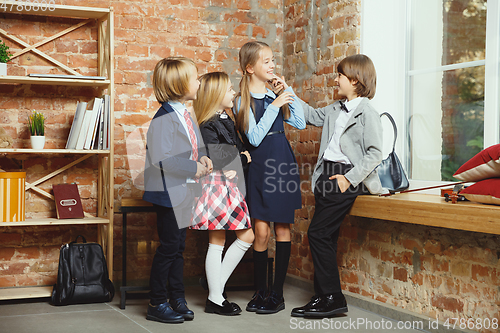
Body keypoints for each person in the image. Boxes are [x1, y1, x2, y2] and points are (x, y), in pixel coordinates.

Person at [291, 54, 383, 318]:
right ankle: (322, 297)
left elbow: (375, 153)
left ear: (355, 80)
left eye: (340, 75)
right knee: (327, 238)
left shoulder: (368, 113)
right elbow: (309, 115)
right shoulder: (335, 108)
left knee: (317, 234)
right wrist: (285, 91)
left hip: (345, 177)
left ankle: (333, 297)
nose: (336, 79)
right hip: (326, 176)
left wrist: (348, 178)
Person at [233, 41, 306, 314]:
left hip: (282, 164)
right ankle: (260, 291)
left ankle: (277, 294)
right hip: (260, 166)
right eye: (266, 61)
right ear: (250, 68)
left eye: (273, 60)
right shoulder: (242, 100)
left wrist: (287, 93)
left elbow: (299, 122)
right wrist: (274, 104)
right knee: (260, 231)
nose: (272, 65)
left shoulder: (276, 96)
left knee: (282, 229)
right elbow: (253, 137)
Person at [143, 57, 213, 324]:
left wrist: (203, 158)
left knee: (179, 247)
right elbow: (162, 159)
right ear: (180, 84)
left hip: (184, 191)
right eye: (195, 78)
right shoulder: (163, 118)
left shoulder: (185, 112)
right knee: (169, 247)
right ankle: (157, 302)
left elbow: (195, 146)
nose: (198, 82)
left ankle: (177, 298)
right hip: (169, 192)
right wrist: (192, 168)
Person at [191, 71, 255, 315]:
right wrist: (239, 158)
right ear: (216, 94)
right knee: (217, 240)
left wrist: (238, 159)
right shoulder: (208, 124)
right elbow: (220, 158)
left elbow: (239, 154)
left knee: (243, 236)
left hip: (229, 186)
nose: (233, 93)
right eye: (229, 89)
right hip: (216, 186)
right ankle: (216, 297)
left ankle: (214, 290)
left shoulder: (226, 120)